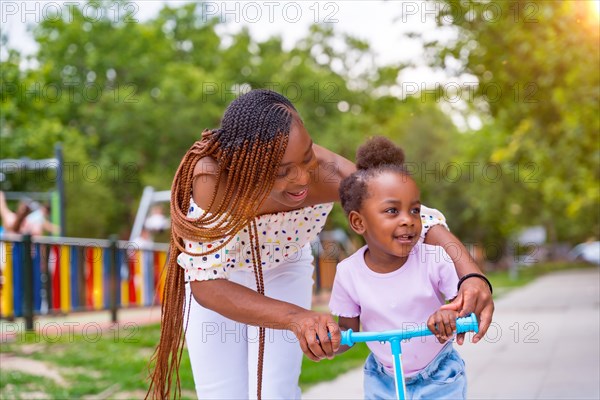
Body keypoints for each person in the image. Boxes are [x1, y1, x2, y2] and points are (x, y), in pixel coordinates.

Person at [147, 89, 494, 399]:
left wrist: (470, 275)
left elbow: (408, 215)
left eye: (307, 155)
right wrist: (297, 318)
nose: (302, 179)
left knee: (276, 391)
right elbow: (207, 285)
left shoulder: (328, 174)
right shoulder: (212, 181)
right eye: (283, 170)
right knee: (223, 393)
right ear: (246, 167)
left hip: (285, 268)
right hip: (221, 279)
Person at [330, 137, 484, 399]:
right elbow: (348, 331)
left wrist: (452, 317)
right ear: (358, 222)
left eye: (414, 210)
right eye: (392, 210)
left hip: (439, 375)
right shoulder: (348, 273)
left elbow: (467, 309)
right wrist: (331, 340)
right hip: (383, 378)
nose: (408, 221)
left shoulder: (434, 259)